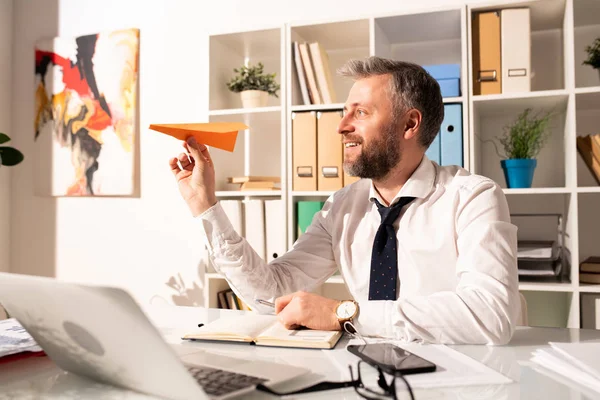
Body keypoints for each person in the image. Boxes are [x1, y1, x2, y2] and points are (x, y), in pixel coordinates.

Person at [169, 57, 520, 345]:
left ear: (410, 123)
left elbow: (490, 316)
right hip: (363, 375)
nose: (341, 126)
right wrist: (206, 205)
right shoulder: (341, 207)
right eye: (345, 112)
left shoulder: (472, 196)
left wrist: (344, 314)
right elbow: (270, 295)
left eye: (361, 113)